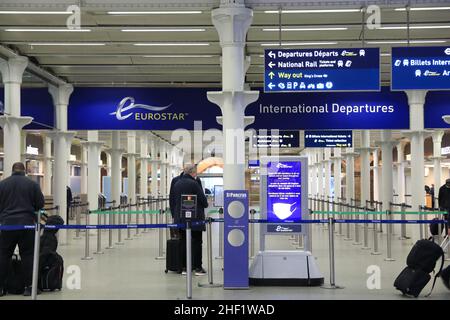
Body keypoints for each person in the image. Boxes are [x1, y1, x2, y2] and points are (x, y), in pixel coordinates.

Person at [0, 162, 45, 296]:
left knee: (3, 255)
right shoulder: (33, 185)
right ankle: (30, 287)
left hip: (7, 225)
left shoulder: (2, 185)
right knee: (28, 255)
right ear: (24, 171)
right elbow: (40, 204)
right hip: (27, 225)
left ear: (12, 170)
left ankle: (1, 287)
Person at [172, 164, 208, 275]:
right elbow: (203, 201)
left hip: (182, 218)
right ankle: (197, 267)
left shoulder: (177, 183)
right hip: (195, 219)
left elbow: (173, 200)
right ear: (193, 173)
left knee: (183, 242)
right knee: (197, 242)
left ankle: (184, 267)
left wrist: (175, 216)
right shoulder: (194, 183)